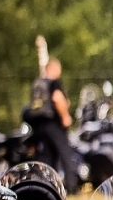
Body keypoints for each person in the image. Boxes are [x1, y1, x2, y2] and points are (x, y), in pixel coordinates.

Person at [22, 58, 78, 192]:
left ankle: (45, 186)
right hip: (53, 123)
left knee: (47, 156)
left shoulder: (37, 84)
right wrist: (65, 116)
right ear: (53, 69)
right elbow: (57, 98)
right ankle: (72, 187)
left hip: (39, 126)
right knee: (66, 153)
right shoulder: (53, 82)